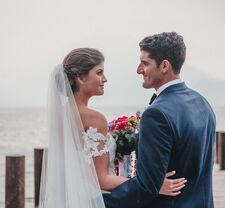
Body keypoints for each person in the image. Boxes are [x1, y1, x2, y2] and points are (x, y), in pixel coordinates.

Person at [39, 48, 187, 208]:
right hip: (93, 200)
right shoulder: (95, 119)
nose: (105, 79)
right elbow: (101, 180)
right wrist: (152, 185)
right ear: (81, 78)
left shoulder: (61, 114)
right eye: (99, 72)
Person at [103, 32, 216, 208]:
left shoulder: (157, 114)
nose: (139, 69)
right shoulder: (202, 103)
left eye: (145, 63)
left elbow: (147, 188)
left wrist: (95, 202)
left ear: (164, 66)